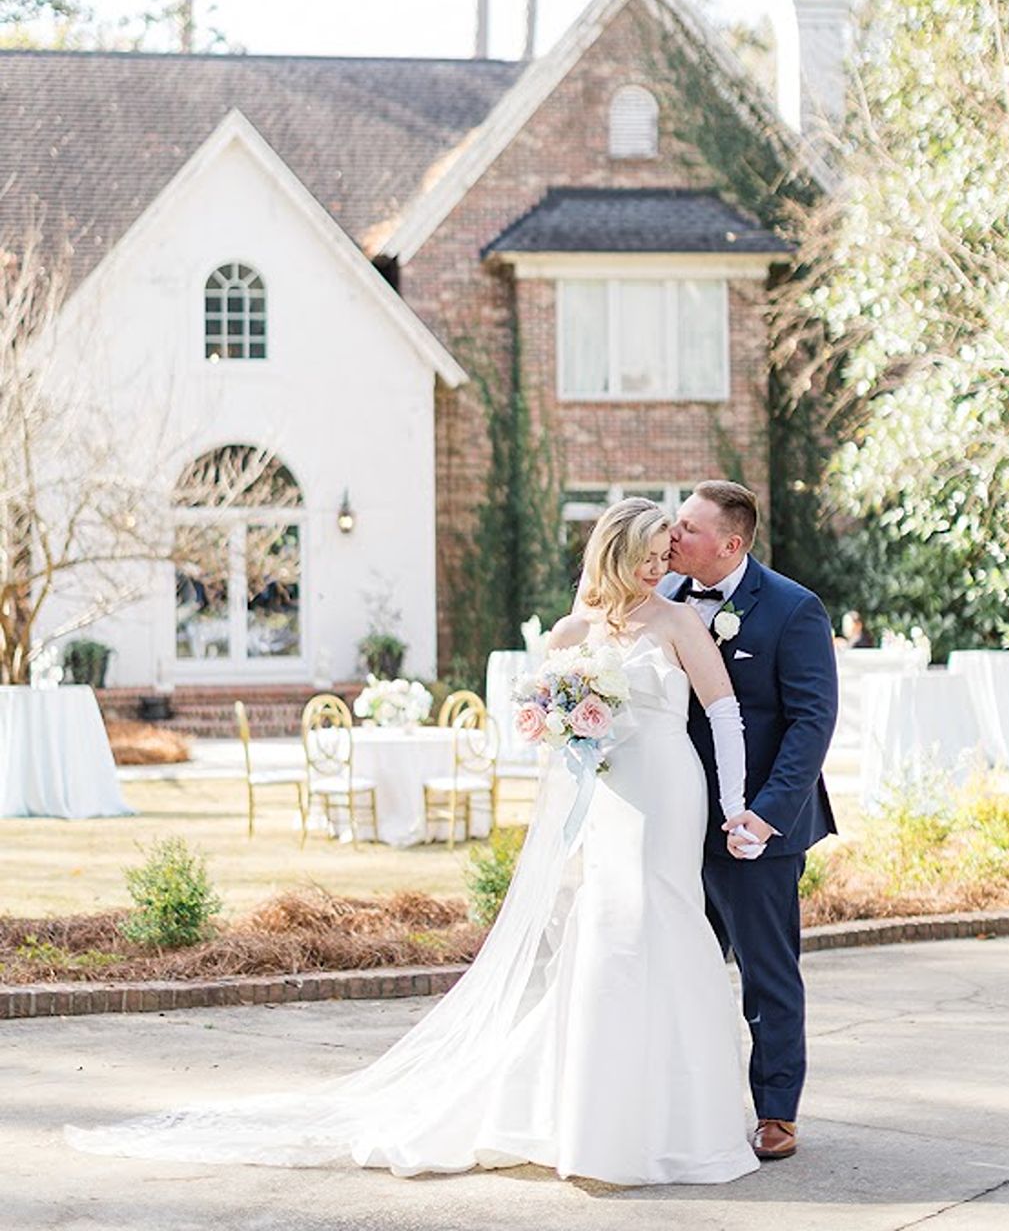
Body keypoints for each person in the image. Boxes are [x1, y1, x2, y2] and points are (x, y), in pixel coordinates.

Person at [68, 498, 759, 1187]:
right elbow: (553, 733)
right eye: (645, 557)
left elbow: (724, 713)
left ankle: (683, 1123)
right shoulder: (571, 634)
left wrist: (734, 806)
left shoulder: (678, 622)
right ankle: (600, 1124)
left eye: (663, 556)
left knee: (663, 920)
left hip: (668, 790)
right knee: (609, 929)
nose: (657, 568)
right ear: (611, 555)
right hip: (605, 795)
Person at [662, 480, 838, 1161]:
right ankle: (685, 1101)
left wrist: (764, 817)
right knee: (677, 967)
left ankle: (775, 1111)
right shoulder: (663, 601)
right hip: (674, 822)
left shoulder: (793, 609)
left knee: (766, 975)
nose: (672, 537)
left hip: (754, 832)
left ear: (730, 544)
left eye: (687, 528)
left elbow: (810, 722)